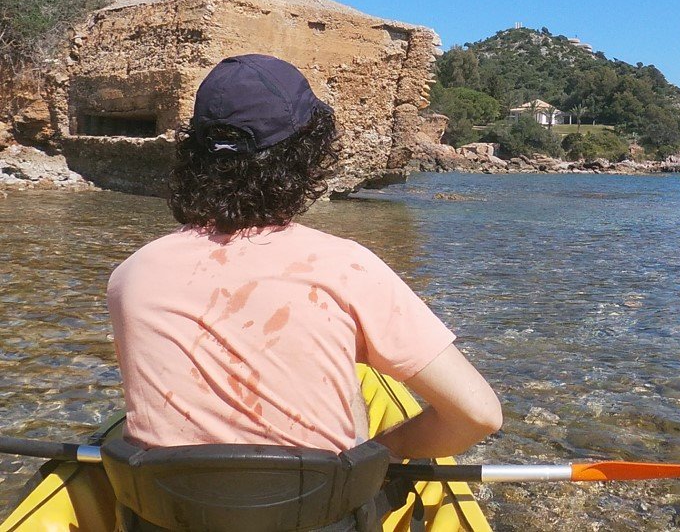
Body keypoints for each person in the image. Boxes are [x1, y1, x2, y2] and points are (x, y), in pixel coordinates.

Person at [107, 54, 501, 461]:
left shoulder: (130, 275)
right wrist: (374, 456)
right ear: (305, 155)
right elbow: (479, 414)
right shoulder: (346, 268)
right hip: (322, 516)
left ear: (196, 154)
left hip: (165, 516)